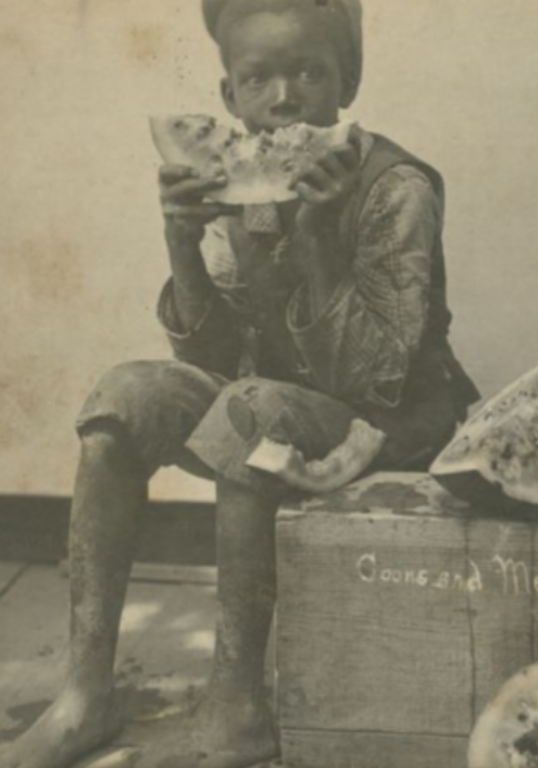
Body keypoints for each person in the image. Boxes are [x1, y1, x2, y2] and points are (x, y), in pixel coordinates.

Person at [0, 1, 478, 766]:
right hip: (266, 411)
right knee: (121, 397)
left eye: (308, 72)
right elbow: (217, 359)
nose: (283, 98)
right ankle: (84, 691)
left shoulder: (397, 189)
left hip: (390, 428)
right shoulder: (235, 181)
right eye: (258, 79)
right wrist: (181, 245)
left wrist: (318, 238)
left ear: (346, 80)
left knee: (250, 409)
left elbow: (374, 381)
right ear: (229, 97)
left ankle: (239, 699)